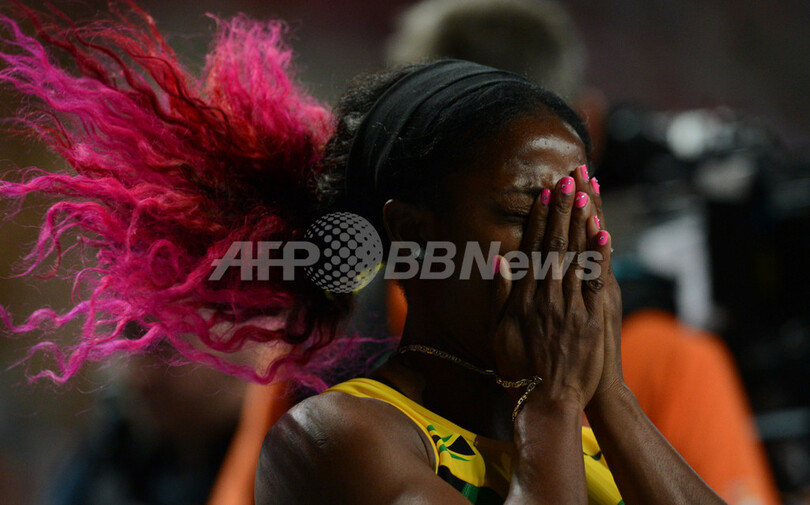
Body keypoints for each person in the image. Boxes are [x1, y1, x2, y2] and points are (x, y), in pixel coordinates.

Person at [0, 5, 729, 505]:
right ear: (410, 235)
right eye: (521, 215)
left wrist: (610, 394)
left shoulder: (594, 428)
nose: (564, 248)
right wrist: (552, 401)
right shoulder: (335, 437)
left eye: (578, 210)